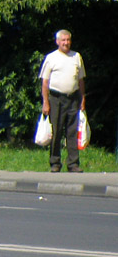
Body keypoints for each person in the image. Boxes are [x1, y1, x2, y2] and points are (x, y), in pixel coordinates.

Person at [39, 29, 86, 172]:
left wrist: (82, 99)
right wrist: (46, 102)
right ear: (57, 41)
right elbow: (45, 82)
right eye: (63, 40)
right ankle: (55, 162)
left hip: (72, 98)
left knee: (72, 131)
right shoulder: (51, 58)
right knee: (57, 130)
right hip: (56, 98)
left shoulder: (76, 57)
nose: (66, 43)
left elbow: (81, 80)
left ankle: (73, 164)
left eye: (68, 40)